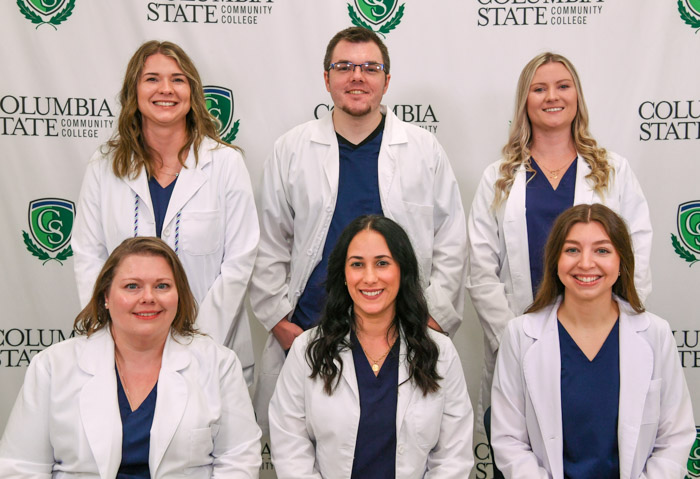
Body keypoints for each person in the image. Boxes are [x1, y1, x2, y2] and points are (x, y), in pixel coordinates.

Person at [250, 26, 467, 432]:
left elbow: (452, 240)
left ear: (386, 80)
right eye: (344, 66)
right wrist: (281, 324)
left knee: (394, 450)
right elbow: (267, 244)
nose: (357, 76)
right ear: (326, 78)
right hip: (311, 333)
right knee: (308, 451)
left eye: (370, 67)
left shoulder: (422, 150)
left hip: (404, 334)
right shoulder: (292, 150)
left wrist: (433, 320)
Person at [466, 52, 653, 433]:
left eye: (562, 86)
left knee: (596, 449)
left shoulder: (613, 171)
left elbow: (638, 256)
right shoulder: (498, 178)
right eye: (539, 88)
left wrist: (617, 326)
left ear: (577, 97)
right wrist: (516, 340)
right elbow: (481, 270)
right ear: (525, 101)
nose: (552, 96)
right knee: (520, 451)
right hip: (520, 339)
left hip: (598, 336)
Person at [72, 40, 259, 385]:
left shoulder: (225, 164)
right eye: (152, 79)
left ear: (192, 91)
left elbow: (239, 261)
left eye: (177, 79)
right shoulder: (103, 166)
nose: (166, 90)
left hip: (210, 349)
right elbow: (88, 255)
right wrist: (114, 328)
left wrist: (194, 341)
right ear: (134, 91)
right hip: (124, 349)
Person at [0, 237, 262, 478]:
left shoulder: (219, 365)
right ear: (106, 296)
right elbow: (23, 467)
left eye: (162, 286)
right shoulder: (52, 366)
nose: (148, 297)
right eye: (132, 286)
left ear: (178, 295)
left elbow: (237, 462)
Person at [491, 204, 695, 479]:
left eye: (602, 250)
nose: (586, 263)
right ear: (555, 261)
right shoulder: (521, 335)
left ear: (621, 262)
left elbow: (675, 437)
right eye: (572, 249)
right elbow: (509, 441)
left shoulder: (655, 334)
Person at [269, 215, 473, 478]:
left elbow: (452, 457)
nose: (369, 277)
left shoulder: (440, 353)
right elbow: (291, 448)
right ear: (343, 274)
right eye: (357, 264)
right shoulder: (306, 351)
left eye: (382, 263)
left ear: (403, 270)